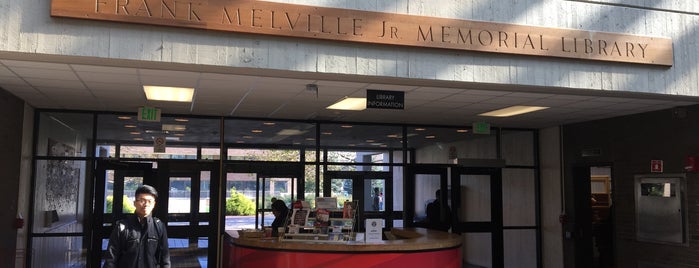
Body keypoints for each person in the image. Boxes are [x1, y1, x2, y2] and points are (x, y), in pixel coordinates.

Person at [104, 185, 170, 268]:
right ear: (135, 203)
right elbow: (111, 258)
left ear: (154, 204)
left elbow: (165, 259)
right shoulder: (123, 226)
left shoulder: (159, 226)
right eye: (142, 200)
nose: (146, 204)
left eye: (150, 201)